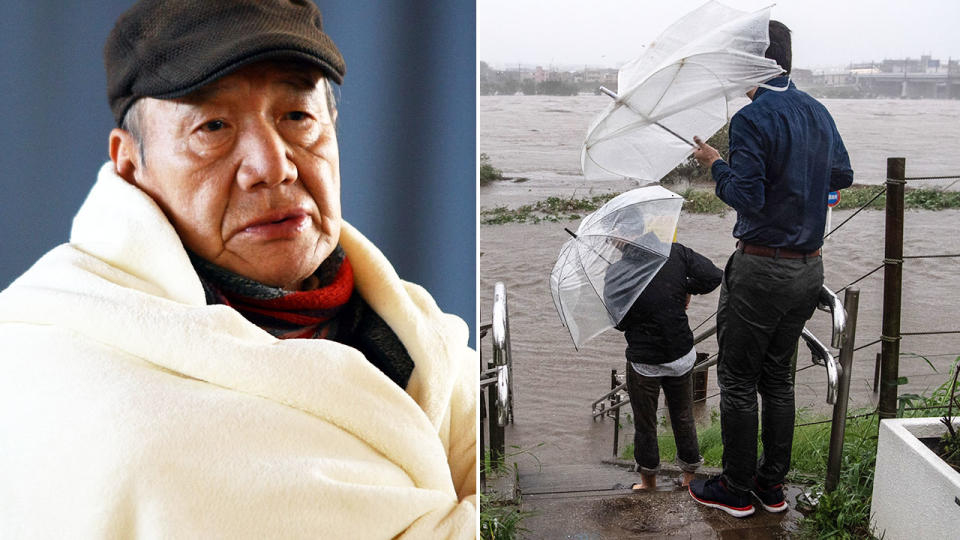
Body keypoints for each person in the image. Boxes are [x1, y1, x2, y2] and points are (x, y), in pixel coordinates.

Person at [0, 1, 476, 538]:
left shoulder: (427, 344)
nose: (273, 167)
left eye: (297, 117)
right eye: (214, 126)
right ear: (130, 162)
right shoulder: (44, 357)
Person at [687, 20, 853, 517]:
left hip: (760, 271)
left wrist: (717, 165)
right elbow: (842, 174)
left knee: (738, 380)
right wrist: (803, 188)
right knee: (778, 380)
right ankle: (771, 487)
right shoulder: (817, 110)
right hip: (809, 269)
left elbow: (748, 199)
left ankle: (736, 490)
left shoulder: (752, 118)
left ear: (754, 62)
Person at [615, 236, 722, 491]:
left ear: (621, 240)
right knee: (684, 415)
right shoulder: (676, 252)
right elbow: (713, 277)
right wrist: (685, 287)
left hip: (645, 361)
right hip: (680, 353)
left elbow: (619, 322)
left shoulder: (618, 273)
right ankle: (688, 478)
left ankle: (648, 482)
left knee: (645, 422)